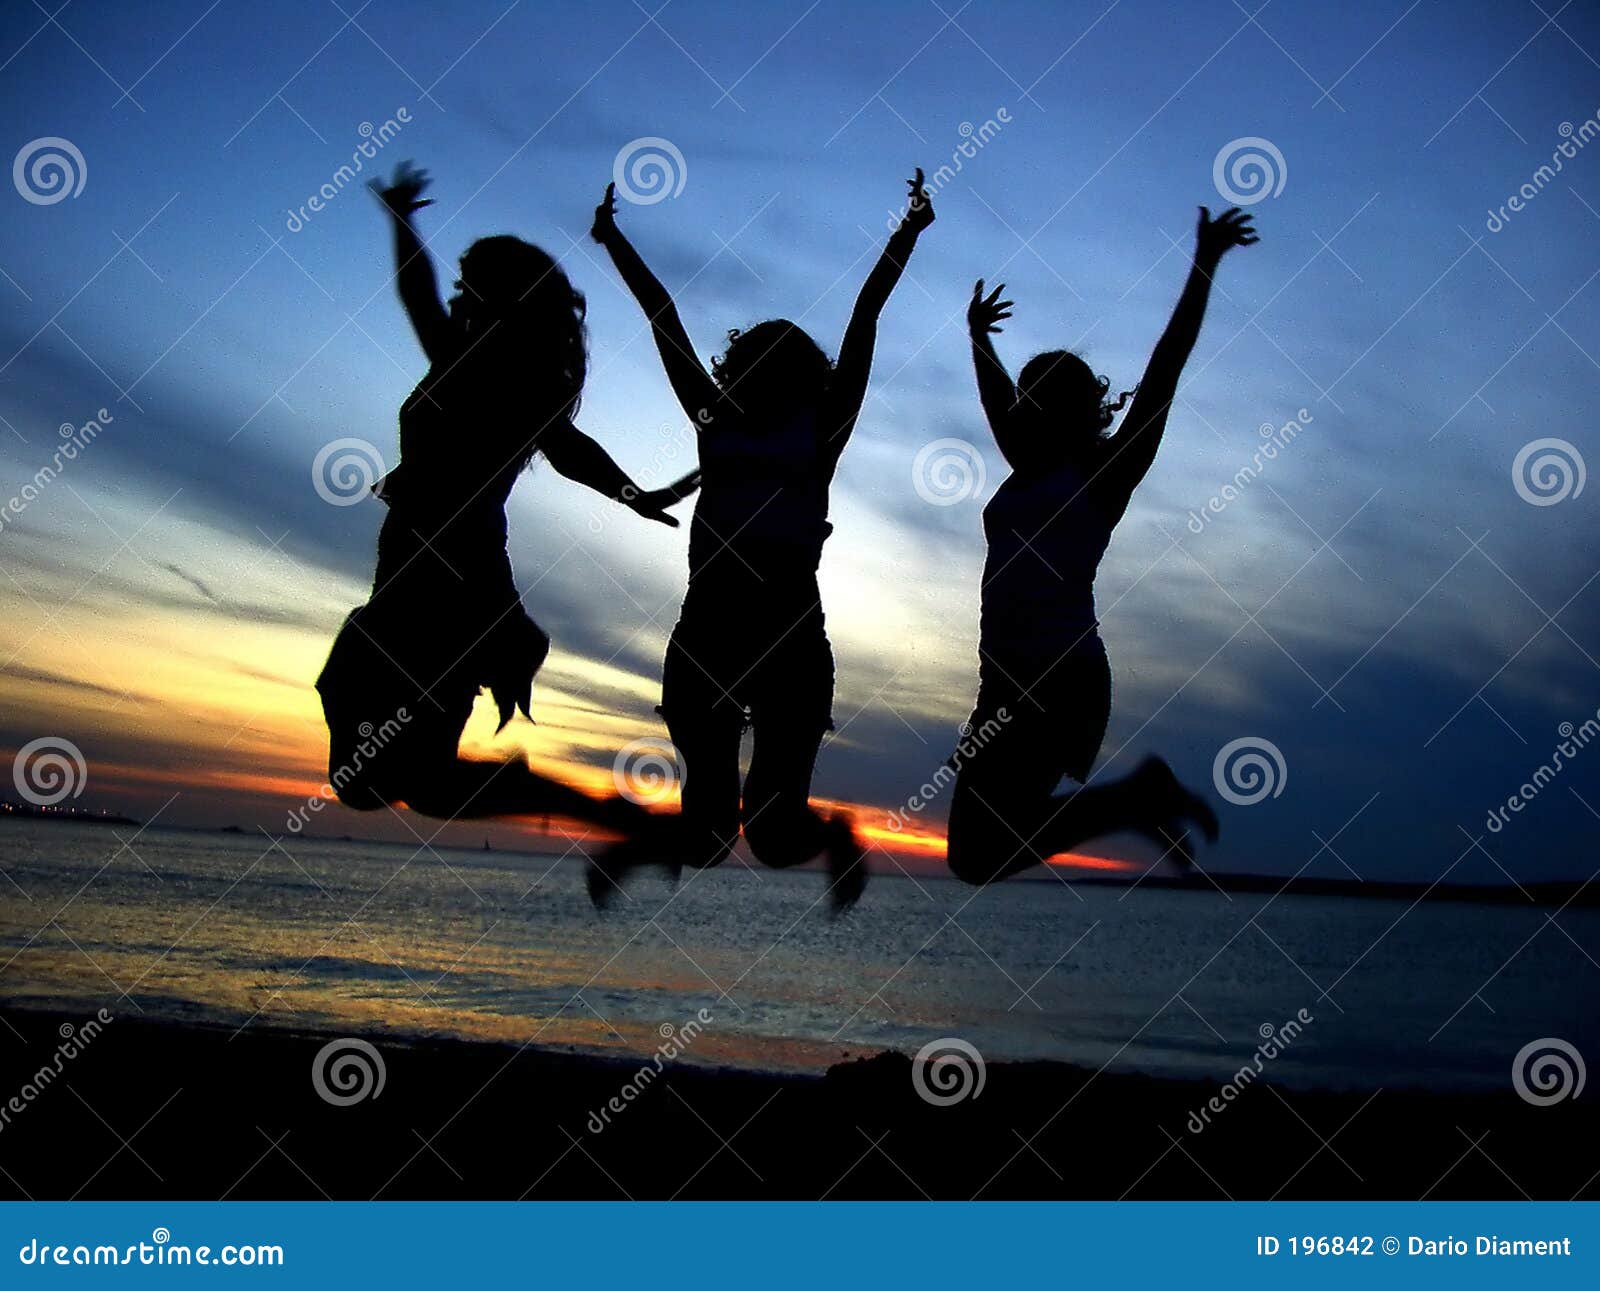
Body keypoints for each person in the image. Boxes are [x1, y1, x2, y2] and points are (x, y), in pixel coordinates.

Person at [586, 170, 936, 909]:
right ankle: (651, 841)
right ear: (742, 372)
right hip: (712, 625)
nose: (769, 371)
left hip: (786, 630)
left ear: (802, 374)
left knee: (775, 836)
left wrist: (907, 236)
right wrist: (614, 240)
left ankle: (830, 834)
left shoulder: (823, 426)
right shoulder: (720, 419)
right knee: (712, 833)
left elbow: (865, 318)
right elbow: (663, 316)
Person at [316, 161, 697, 838]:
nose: (460, 297)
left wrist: (636, 495)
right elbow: (418, 294)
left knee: (387, 776)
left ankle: (597, 812)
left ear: (507, 302)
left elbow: (568, 446)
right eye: (463, 286)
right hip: (407, 567)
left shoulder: (512, 382)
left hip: (455, 582)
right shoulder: (454, 357)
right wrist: (404, 222)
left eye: (474, 289)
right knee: (388, 777)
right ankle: (598, 812)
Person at [945, 205, 1259, 884]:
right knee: (973, 854)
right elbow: (996, 397)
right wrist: (977, 338)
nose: (1020, 408)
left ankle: (1135, 799)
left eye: (1037, 397)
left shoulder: (1103, 477)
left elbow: (1164, 370)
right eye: (1024, 397)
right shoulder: (1026, 467)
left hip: (1060, 682)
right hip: (1002, 680)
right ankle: (1133, 801)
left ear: (1071, 410)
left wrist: (1203, 265)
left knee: (978, 854)